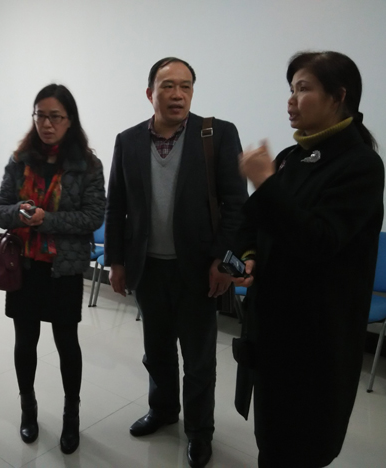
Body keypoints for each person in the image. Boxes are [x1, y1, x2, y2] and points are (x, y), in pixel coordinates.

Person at [232, 51, 385, 468]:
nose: (291, 100)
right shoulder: (291, 156)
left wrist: (265, 183)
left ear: (338, 96)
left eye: (303, 89)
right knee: (271, 440)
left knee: (302, 444)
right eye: (291, 89)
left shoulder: (361, 165)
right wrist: (249, 257)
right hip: (273, 330)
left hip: (316, 340)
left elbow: (319, 240)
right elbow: (255, 222)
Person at [104, 57, 248, 468]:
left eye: (186, 86)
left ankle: (200, 432)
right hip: (148, 268)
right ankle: (164, 410)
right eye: (168, 86)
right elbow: (117, 206)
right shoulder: (128, 140)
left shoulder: (217, 135)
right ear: (150, 93)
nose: (178, 94)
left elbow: (236, 204)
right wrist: (116, 261)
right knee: (157, 351)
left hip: (199, 270)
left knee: (199, 360)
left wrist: (222, 261)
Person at [0, 84, 105, 454]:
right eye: (40, 115)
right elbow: (0, 209)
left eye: (55, 116)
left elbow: (93, 217)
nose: (47, 123)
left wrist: (47, 220)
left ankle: (71, 416)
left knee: (66, 344)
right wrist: (19, 212)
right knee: (25, 342)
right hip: (23, 267)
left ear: (70, 120)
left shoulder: (88, 165)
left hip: (63, 269)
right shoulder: (19, 160)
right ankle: (29, 409)